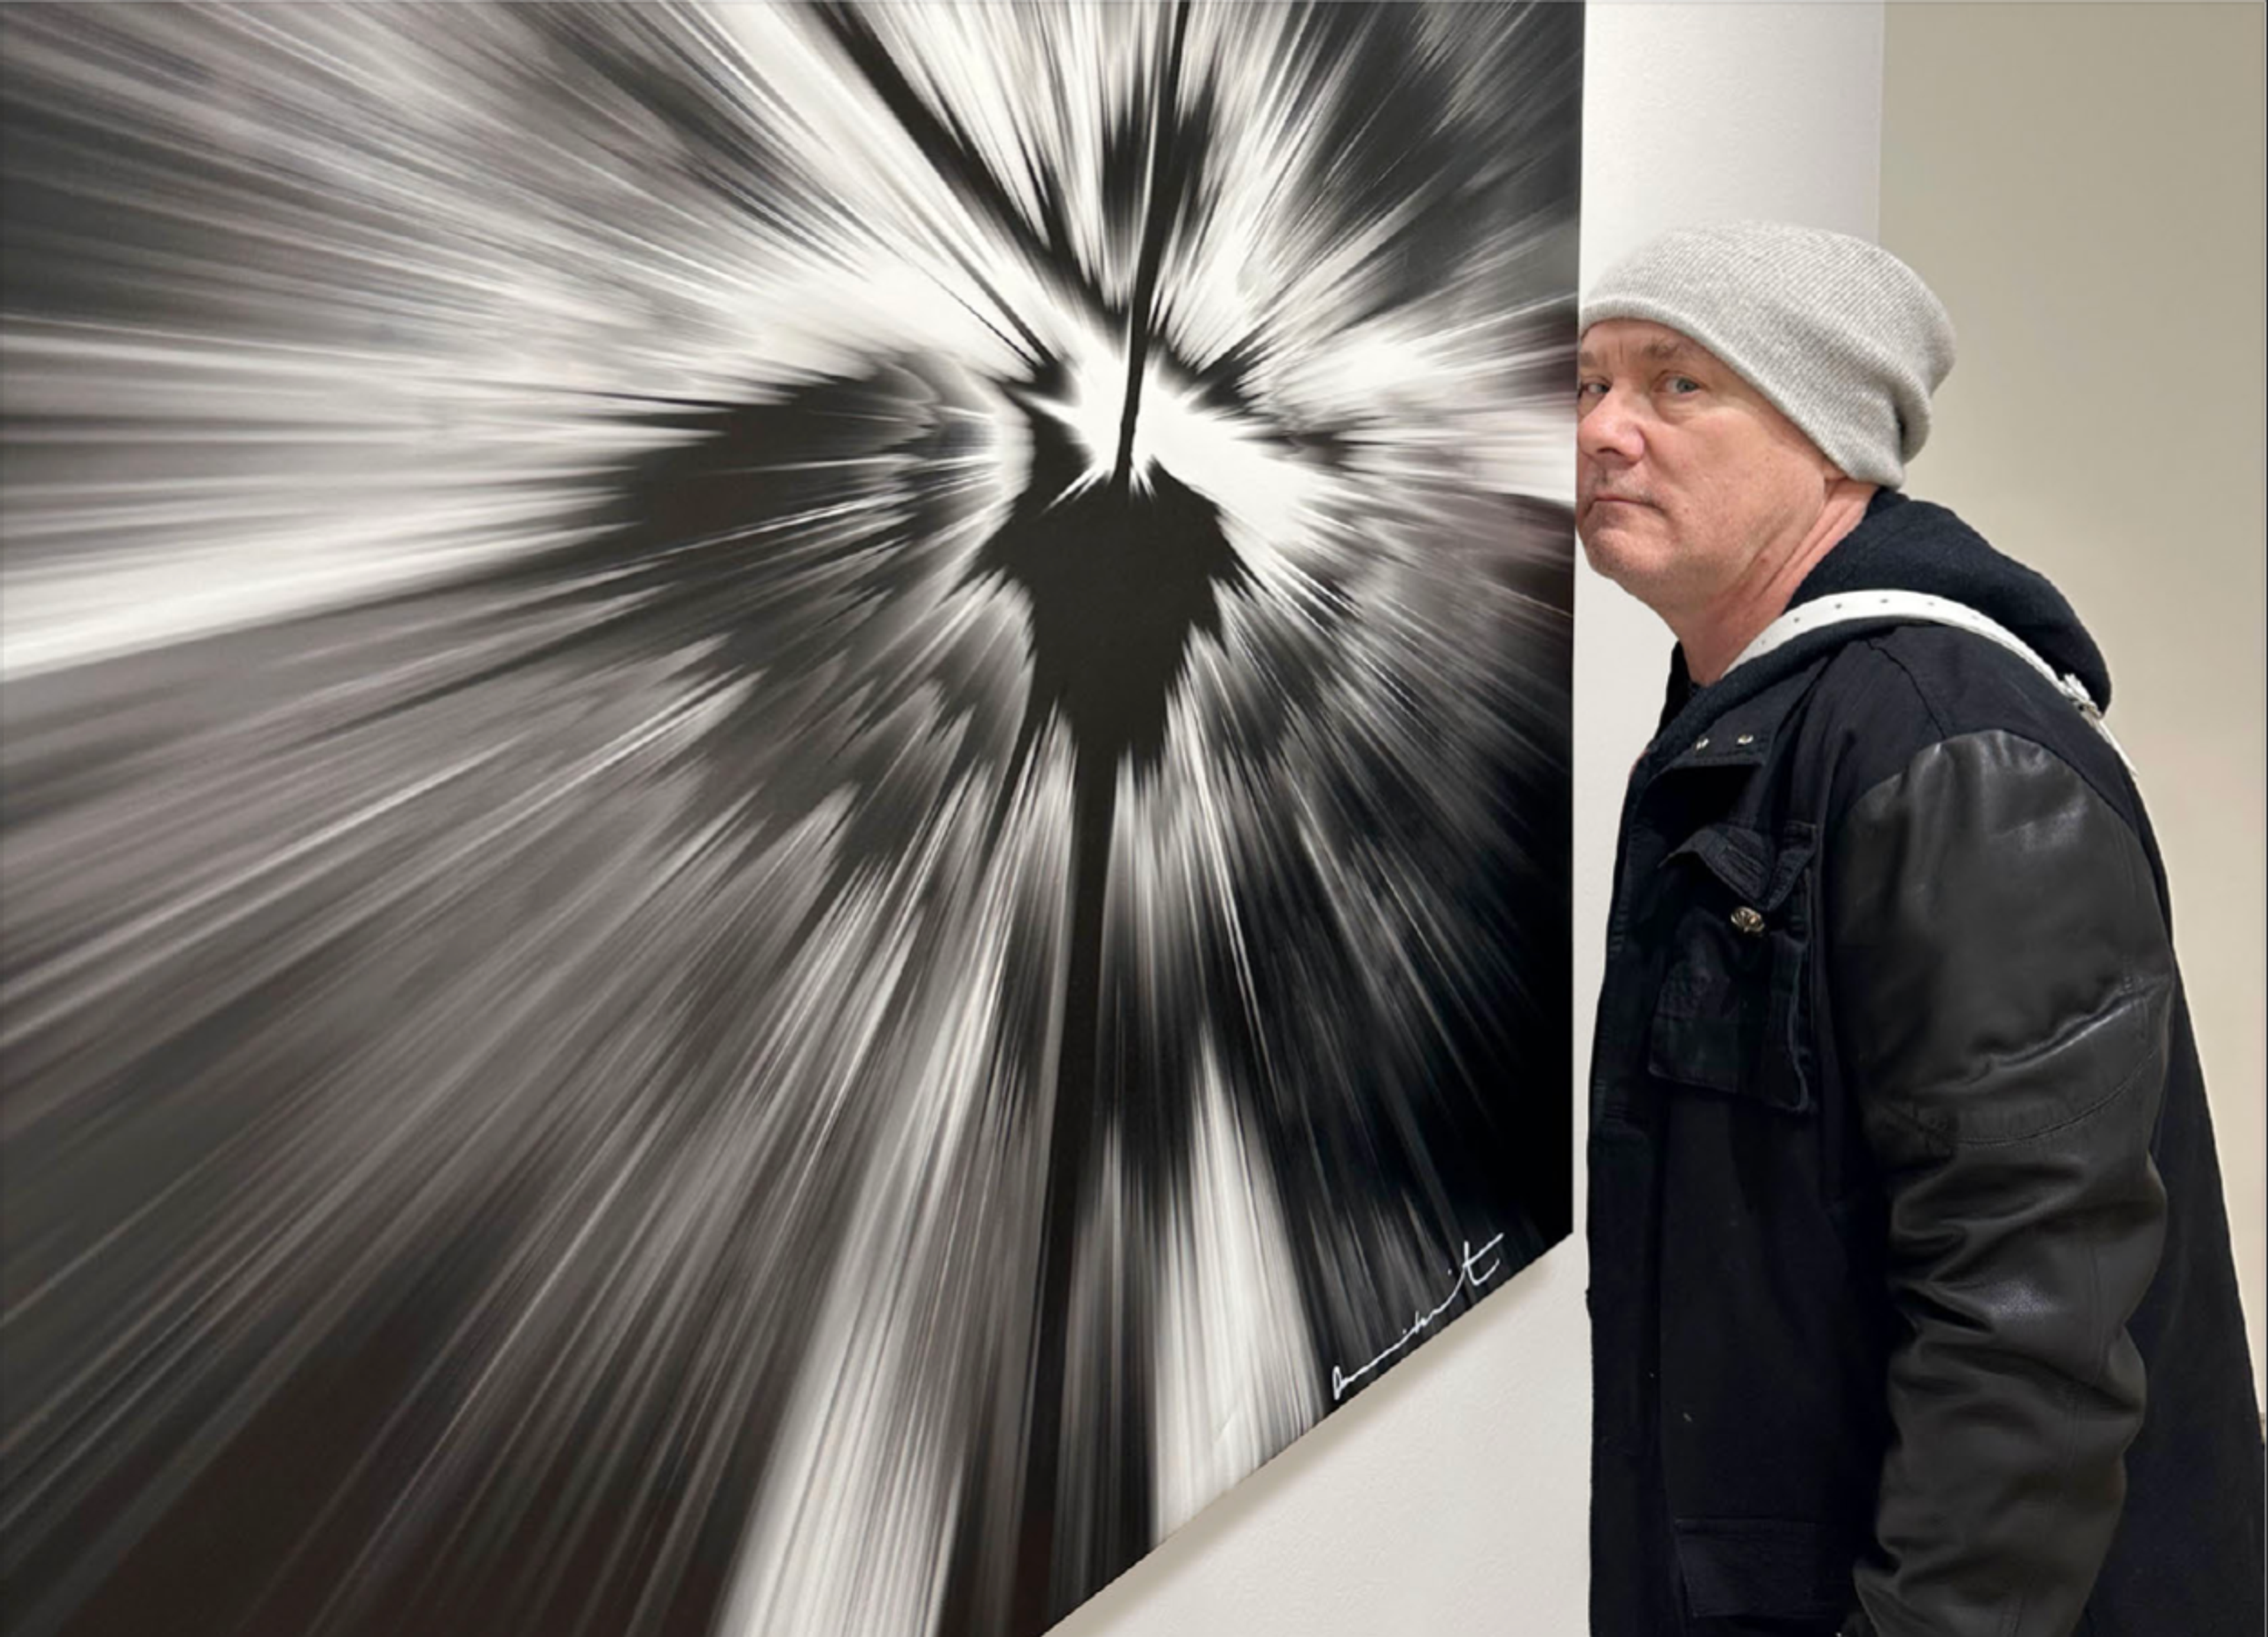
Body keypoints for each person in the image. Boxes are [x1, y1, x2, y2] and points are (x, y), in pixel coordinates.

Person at [1575, 222, 2263, 1636]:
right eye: (1586, 383)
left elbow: (2031, 1341)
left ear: (1834, 442)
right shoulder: (1775, 721)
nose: (1604, 431)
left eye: (1677, 384)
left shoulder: (1952, 755)